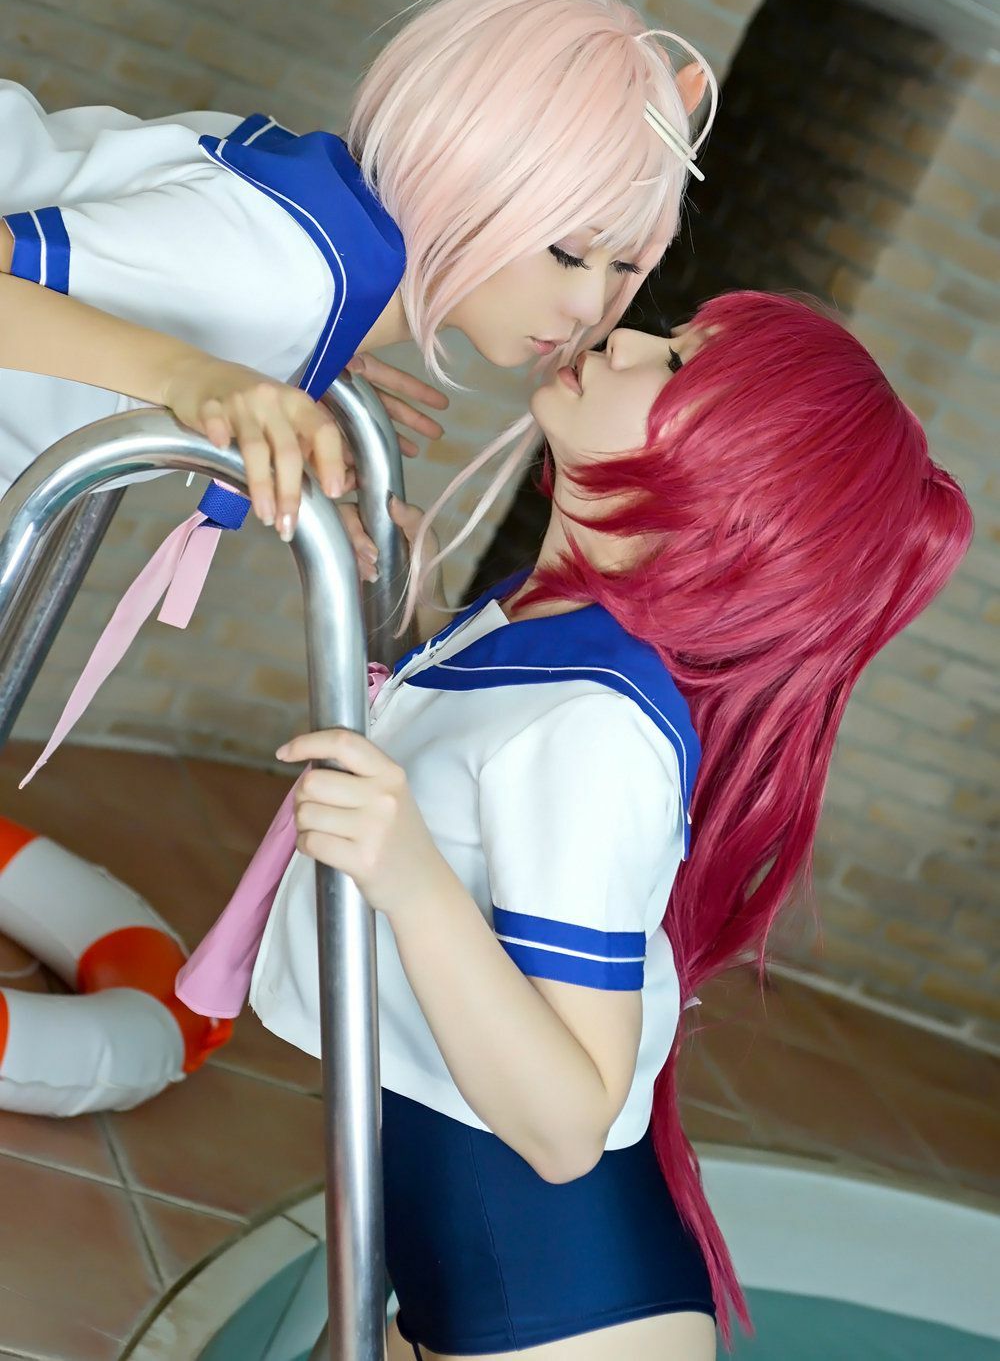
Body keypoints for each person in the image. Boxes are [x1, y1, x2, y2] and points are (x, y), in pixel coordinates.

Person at [231, 292, 971, 1360]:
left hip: (558, 1323)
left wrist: (412, 876)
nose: (623, 336)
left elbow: (568, 1123)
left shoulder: (599, 719)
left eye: (672, 364)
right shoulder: (544, 628)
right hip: (505, 1294)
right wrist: (396, 605)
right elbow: (484, 788)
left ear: (729, 477)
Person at [0, 0, 715, 773]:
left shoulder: (318, 248)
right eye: (569, 252)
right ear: (474, 172)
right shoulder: (280, 271)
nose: (591, 305)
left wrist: (275, 369)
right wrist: (193, 375)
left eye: (625, 267)